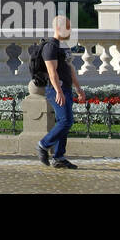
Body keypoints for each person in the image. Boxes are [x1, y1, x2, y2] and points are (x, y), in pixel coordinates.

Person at [37, 15, 83, 168]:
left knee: (63, 122)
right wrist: (58, 91)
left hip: (66, 89)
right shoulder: (50, 47)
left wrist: (78, 88)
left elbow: (70, 69)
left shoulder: (64, 46)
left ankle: (59, 157)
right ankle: (43, 144)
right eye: (67, 27)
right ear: (58, 28)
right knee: (66, 121)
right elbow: (52, 72)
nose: (70, 30)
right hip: (56, 89)